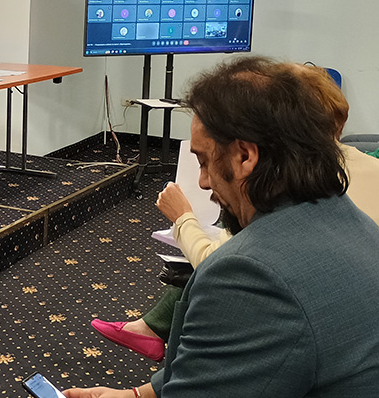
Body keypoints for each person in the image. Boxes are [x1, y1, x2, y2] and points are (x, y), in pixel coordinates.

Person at [65, 56, 379, 397]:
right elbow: (253, 362)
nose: (202, 181)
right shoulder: (355, 224)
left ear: (245, 156)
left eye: (203, 161)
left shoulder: (249, 275)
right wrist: (137, 395)